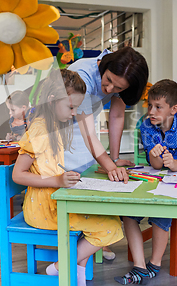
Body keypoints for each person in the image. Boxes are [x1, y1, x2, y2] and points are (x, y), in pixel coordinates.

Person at [12, 69, 123, 286]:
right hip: (43, 209)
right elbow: (18, 175)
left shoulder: (52, 126)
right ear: (52, 100)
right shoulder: (39, 130)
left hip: (54, 202)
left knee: (108, 220)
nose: (74, 113)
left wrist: (64, 179)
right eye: (71, 107)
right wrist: (57, 181)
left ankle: (77, 275)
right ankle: (60, 266)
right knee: (111, 227)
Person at [66, 47, 148, 260]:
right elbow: (87, 131)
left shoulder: (121, 77)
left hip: (84, 127)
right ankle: (89, 237)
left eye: (118, 87)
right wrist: (110, 166)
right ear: (105, 66)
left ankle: (94, 237)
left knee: (93, 179)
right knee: (74, 181)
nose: (109, 87)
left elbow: (117, 116)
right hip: (61, 127)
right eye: (108, 80)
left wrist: (113, 158)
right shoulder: (82, 76)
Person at [115, 79, 177, 285]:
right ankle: (140, 266)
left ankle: (154, 264)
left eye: (158, 107)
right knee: (128, 213)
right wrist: (157, 156)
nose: (151, 111)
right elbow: (156, 166)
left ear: (173, 109)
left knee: (162, 212)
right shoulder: (146, 125)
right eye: (150, 105)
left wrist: (173, 162)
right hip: (154, 176)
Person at [0, 90, 31, 182]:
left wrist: (22, 138)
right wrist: (11, 137)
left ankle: (12, 187)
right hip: (14, 153)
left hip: (28, 156)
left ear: (24, 108)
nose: (10, 113)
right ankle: (7, 187)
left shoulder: (34, 118)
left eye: (12, 110)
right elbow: (15, 136)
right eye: (9, 109)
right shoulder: (13, 120)